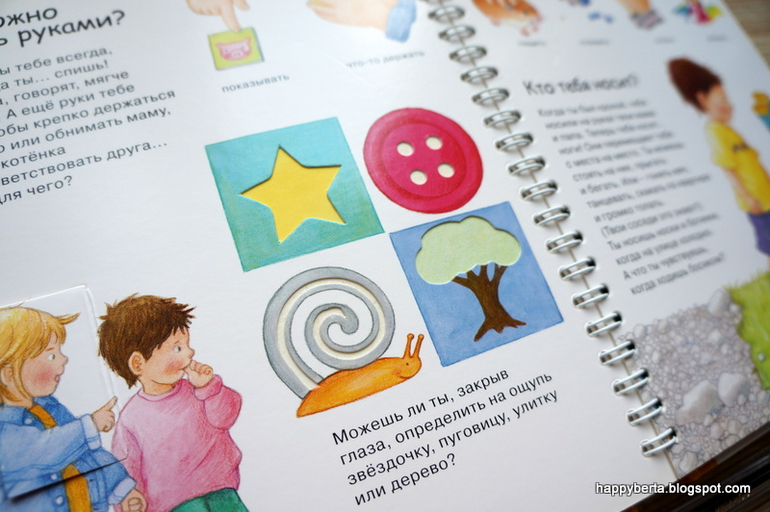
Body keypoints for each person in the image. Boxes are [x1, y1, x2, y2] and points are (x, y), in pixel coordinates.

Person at [98, 295, 245, 512]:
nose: (190, 352)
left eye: (187, 345)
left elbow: (226, 417)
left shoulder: (197, 390)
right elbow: (126, 468)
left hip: (222, 491)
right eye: (177, 348)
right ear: (138, 363)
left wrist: (209, 388)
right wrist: (128, 500)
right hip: (176, 505)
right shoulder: (132, 417)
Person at [0, 306, 145, 512]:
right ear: (8, 374)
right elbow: (44, 451)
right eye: (51, 355)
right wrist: (90, 425)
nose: (63, 359)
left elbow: (89, 454)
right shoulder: (4, 429)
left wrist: (122, 489)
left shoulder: (51, 407)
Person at [669, 58, 770, 259]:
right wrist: (749, 198)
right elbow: (729, 170)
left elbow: (752, 162)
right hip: (757, 201)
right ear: (702, 99)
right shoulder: (715, 131)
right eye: (722, 100)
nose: (728, 105)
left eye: (727, 100)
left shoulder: (729, 131)